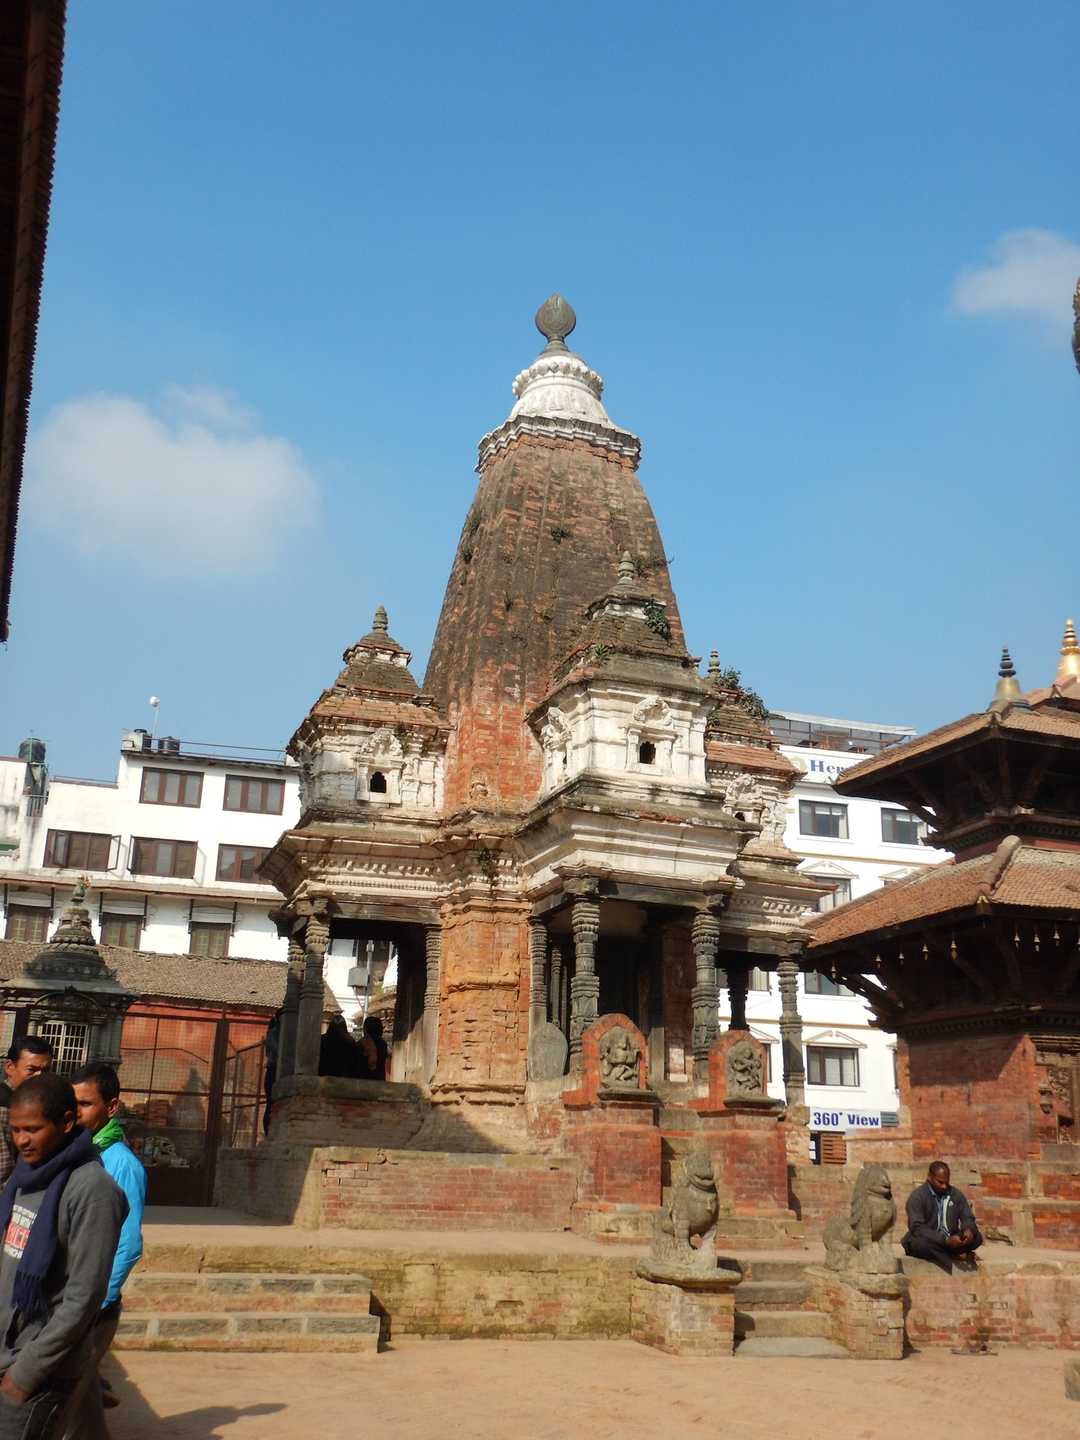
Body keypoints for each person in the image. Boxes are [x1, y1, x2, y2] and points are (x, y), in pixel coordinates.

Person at [0, 1073, 126, 1439]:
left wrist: (26, 1374)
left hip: (38, 1372)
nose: (21, 1140)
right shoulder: (24, 1177)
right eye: (15, 1130)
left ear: (67, 1122)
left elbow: (84, 1297)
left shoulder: (92, 1190)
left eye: (32, 1129)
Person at [60, 1063, 146, 1439]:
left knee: (71, 1404)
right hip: (72, 1297)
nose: (77, 1113)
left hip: (91, 1305)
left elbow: (127, 1245)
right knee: (80, 1404)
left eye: (86, 1104)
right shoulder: (79, 1152)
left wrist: (95, 1300)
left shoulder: (121, 1164)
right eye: (73, 1104)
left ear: (111, 1107)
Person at [902, 1161, 983, 1273]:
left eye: (947, 1182)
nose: (944, 1186)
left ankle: (948, 1253)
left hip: (952, 1239)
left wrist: (968, 1230)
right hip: (930, 1240)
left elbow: (968, 1217)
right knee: (919, 1245)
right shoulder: (917, 1196)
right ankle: (953, 1255)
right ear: (929, 1177)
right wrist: (944, 1240)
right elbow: (917, 1227)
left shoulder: (955, 1194)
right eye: (940, 1182)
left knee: (977, 1237)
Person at [0, 1040, 54, 1187]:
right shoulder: (4, 1108)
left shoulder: (29, 1103)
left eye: (45, 1070)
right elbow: (3, 1175)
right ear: (10, 1067)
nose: (39, 1077)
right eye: (31, 1070)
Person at [360, 1016, 388, 1081]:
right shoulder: (383, 1043)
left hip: (364, 1081)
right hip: (379, 1080)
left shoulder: (362, 1042)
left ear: (366, 1028)